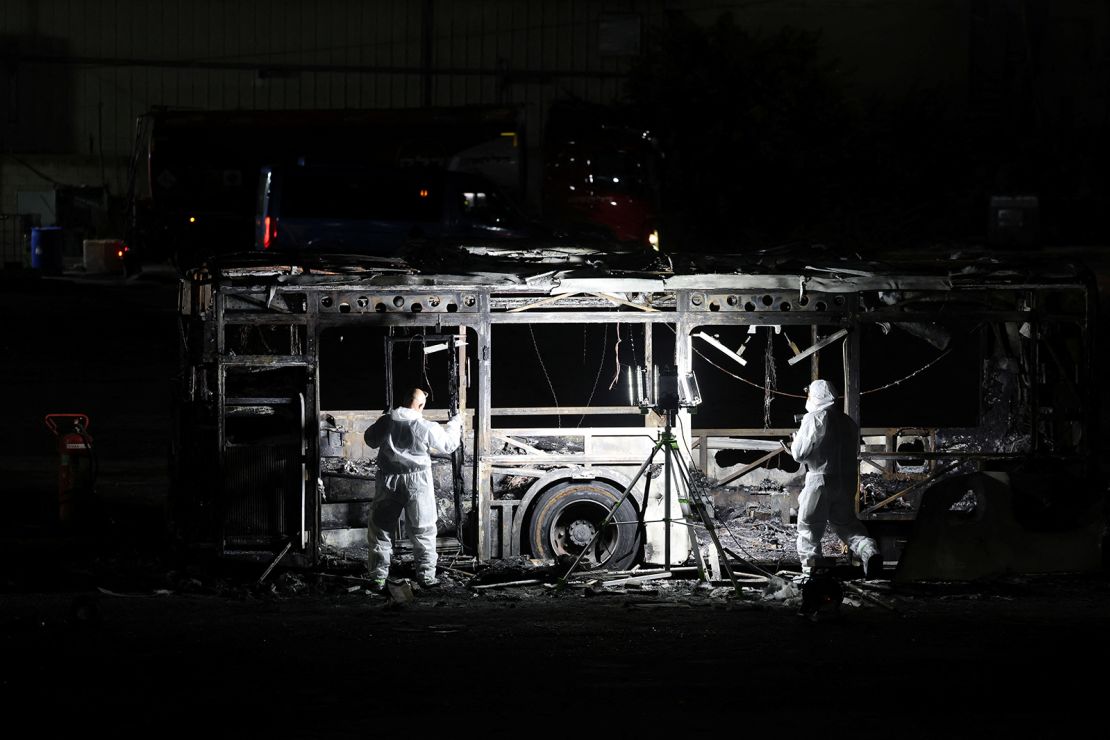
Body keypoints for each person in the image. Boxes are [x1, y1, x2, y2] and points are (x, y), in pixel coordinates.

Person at [364, 387, 462, 590]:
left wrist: (382, 421)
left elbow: (369, 440)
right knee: (423, 529)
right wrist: (455, 423)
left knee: (380, 530)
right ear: (421, 405)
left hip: (388, 480)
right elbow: (449, 444)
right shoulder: (425, 426)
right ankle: (426, 577)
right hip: (418, 481)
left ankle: (378, 578)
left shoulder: (387, 421)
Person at [789, 379, 883, 578]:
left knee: (809, 529)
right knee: (847, 525)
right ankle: (870, 552)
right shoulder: (848, 422)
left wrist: (796, 439)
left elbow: (799, 454)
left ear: (815, 396)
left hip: (819, 480)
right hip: (846, 481)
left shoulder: (814, 418)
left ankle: (811, 574)